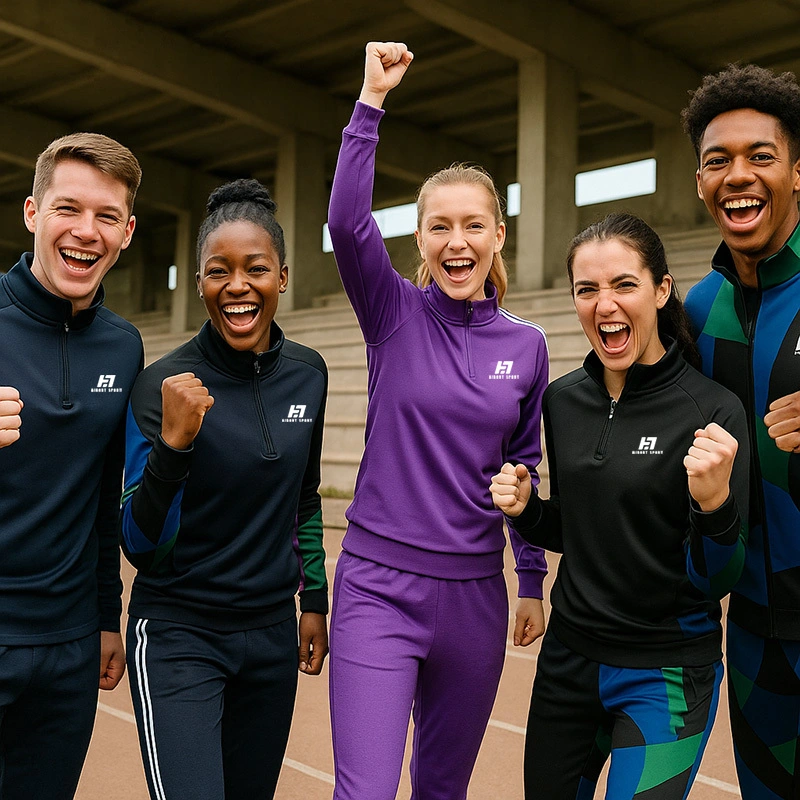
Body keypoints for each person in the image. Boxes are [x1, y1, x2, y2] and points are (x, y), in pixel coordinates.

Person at [326, 42, 549, 800]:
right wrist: (370, 103)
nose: (458, 243)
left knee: (442, 793)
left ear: (497, 235)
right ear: (419, 241)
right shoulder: (389, 312)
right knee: (364, 792)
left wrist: (529, 578)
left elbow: (523, 468)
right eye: (440, 228)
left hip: (474, 601)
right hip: (376, 590)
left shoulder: (527, 345)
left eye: (474, 226)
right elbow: (348, 221)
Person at [491, 213, 750, 800]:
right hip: (569, 661)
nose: (604, 304)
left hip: (666, 674)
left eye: (624, 285)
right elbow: (582, 530)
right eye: (588, 290)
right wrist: (530, 510)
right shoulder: (563, 401)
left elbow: (721, 577)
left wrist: (713, 504)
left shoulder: (713, 411)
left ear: (660, 291)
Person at [119, 178, 328, 800]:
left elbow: (305, 496)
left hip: (269, 637)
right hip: (182, 632)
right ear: (201, 282)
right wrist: (173, 448)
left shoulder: (307, 374)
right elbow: (139, 543)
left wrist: (312, 599)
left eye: (255, 269)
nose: (237, 285)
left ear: (282, 278)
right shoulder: (162, 385)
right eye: (218, 271)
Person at [0, 133, 142, 799]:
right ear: (32, 213)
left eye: (107, 216)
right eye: (67, 209)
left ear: (127, 232)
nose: (86, 232)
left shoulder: (123, 345)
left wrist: (106, 617)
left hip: (69, 645)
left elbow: (103, 498)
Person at [681, 63, 800, 799]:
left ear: (797, 171)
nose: (739, 176)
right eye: (718, 160)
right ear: (699, 182)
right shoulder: (698, 309)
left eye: (761, 156)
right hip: (755, 628)